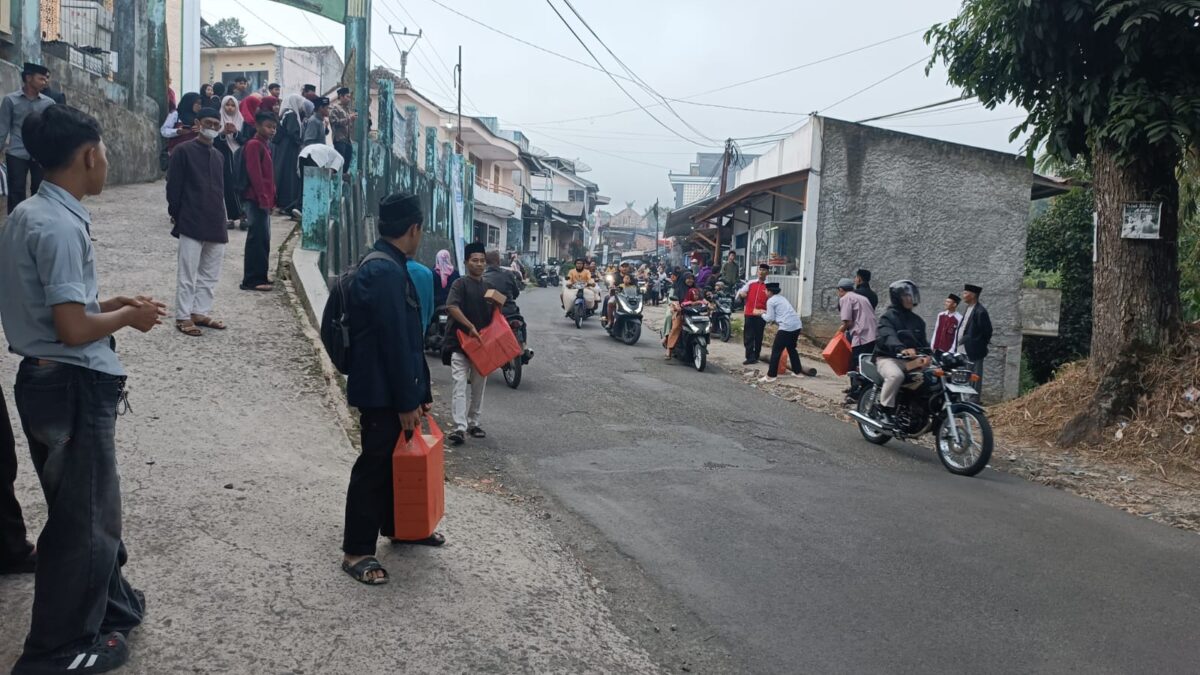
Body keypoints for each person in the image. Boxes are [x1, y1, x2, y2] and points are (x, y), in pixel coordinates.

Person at [0, 104, 166, 675]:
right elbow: (72, 330)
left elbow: (59, 311)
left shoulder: (29, 211)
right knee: (86, 520)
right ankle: (57, 652)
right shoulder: (62, 226)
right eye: (104, 153)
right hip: (70, 384)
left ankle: (112, 605)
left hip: (43, 379)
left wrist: (111, 303)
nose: (107, 162)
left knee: (80, 506)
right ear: (90, 155)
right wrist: (126, 320)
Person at [341, 192, 439, 586]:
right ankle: (356, 550)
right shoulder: (384, 272)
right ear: (413, 229)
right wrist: (406, 399)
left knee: (396, 461)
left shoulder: (393, 266)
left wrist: (421, 390)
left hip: (392, 387)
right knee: (375, 466)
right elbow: (395, 343)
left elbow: (410, 336)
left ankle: (402, 527)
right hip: (380, 390)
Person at [168, 107, 229, 336]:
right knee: (188, 272)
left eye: (216, 123)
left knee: (210, 273)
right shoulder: (183, 151)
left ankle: (199, 312)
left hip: (215, 220)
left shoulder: (219, 156)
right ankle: (183, 316)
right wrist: (178, 214)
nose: (212, 127)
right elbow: (173, 188)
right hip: (191, 219)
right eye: (208, 122)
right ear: (198, 123)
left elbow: (222, 190)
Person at [443, 242, 501, 446]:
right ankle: (460, 427)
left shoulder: (488, 288)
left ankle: (474, 422)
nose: (479, 264)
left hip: (481, 346)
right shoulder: (459, 284)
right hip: (460, 343)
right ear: (466, 262)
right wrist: (469, 327)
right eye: (474, 260)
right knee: (459, 385)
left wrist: (499, 305)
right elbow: (451, 306)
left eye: (482, 261)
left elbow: (497, 314)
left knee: (479, 386)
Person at [874, 280, 931, 428]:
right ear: (897, 297)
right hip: (888, 358)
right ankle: (884, 411)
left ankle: (917, 411)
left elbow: (923, 344)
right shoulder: (888, 317)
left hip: (909, 362)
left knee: (931, 377)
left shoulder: (918, 321)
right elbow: (887, 336)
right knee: (895, 375)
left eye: (911, 295)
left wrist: (929, 355)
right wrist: (901, 348)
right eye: (906, 295)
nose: (910, 299)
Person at [0, 63, 54, 213]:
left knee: (39, 191)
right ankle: (15, 223)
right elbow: (2, 128)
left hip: (40, 154)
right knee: (16, 191)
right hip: (16, 153)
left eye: (46, 79)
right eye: (41, 79)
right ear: (28, 78)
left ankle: (36, 222)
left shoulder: (49, 104)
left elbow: (52, 130)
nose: (45, 82)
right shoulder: (10, 101)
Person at [241, 110, 278, 292]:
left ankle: (260, 276)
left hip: (264, 199)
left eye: (274, 127)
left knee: (264, 238)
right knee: (256, 237)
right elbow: (255, 174)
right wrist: (264, 198)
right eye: (268, 126)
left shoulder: (265, 145)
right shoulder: (254, 145)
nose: (272, 130)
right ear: (257, 126)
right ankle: (251, 280)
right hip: (255, 199)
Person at [759, 282, 816, 382]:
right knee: (791, 348)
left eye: (766, 290)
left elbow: (769, 318)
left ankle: (771, 376)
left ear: (770, 291)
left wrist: (760, 314)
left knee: (776, 350)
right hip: (797, 325)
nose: (765, 292)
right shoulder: (782, 298)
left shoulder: (771, 301)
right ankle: (797, 371)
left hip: (786, 327)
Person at [837, 278, 878, 400]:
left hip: (862, 336)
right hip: (873, 335)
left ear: (840, 289)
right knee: (866, 363)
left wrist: (837, 334)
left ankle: (856, 394)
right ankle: (863, 390)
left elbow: (847, 322)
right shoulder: (862, 298)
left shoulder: (845, 298)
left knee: (856, 364)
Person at [955, 283, 993, 395]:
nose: (963, 295)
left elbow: (987, 331)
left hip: (974, 350)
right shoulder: (968, 308)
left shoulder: (980, 311)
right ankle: (963, 399)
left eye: (965, 293)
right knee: (962, 375)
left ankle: (973, 399)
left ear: (972, 295)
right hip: (963, 348)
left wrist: (978, 343)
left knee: (974, 376)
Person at [215, 95, 245, 229]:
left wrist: (236, 133)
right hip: (224, 158)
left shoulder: (242, 121)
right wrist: (222, 133)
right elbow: (213, 141)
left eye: (233, 105)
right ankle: (229, 217)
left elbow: (246, 140)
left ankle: (244, 216)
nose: (230, 108)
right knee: (226, 187)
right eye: (227, 105)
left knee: (241, 185)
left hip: (239, 158)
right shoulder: (217, 121)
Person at [272, 95, 305, 218]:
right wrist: (300, 142)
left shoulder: (287, 114)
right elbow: (293, 132)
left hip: (286, 148)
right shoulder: (291, 114)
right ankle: (286, 204)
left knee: (285, 175)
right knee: (288, 176)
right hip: (289, 149)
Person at [736, 263, 771, 365]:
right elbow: (741, 292)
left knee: (758, 336)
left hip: (761, 314)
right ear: (757, 272)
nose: (761, 272)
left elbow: (772, 300)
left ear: (767, 273)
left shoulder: (768, 286)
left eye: (764, 270)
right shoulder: (750, 283)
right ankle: (750, 356)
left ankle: (756, 355)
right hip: (749, 313)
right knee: (748, 336)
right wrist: (742, 294)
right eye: (760, 270)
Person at [664, 273, 703, 359]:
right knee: (676, 326)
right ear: (684, 279)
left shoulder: (697, 289)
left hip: (695, 313)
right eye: (688, 278)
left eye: (692, 279)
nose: (690, 280)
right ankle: (669, 349)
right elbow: (675, 301)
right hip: (682, 312)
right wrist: (677, 307)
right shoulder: (679, 289)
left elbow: (702, 299)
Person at [161, 91, 201, 157]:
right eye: (197, 103)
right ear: (189, 103)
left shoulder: (200, 116)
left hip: (194, 153)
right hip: (177, 152)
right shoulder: (176, 114)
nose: (199, 106)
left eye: (200, 104)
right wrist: (177, 131)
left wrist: (201, 130)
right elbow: (164, 130)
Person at [329, 87, 356, 168]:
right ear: (341, 96)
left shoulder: (347, 109)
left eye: (349, 97)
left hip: (347, 140)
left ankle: (343, 177)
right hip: (339, 139)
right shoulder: (335, 108)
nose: (349, 99)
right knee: (340, 162)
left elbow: (348, 125)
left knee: (347, 161)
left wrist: (352, 120)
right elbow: (334, 122)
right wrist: (349, 119)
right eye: (347, 97)